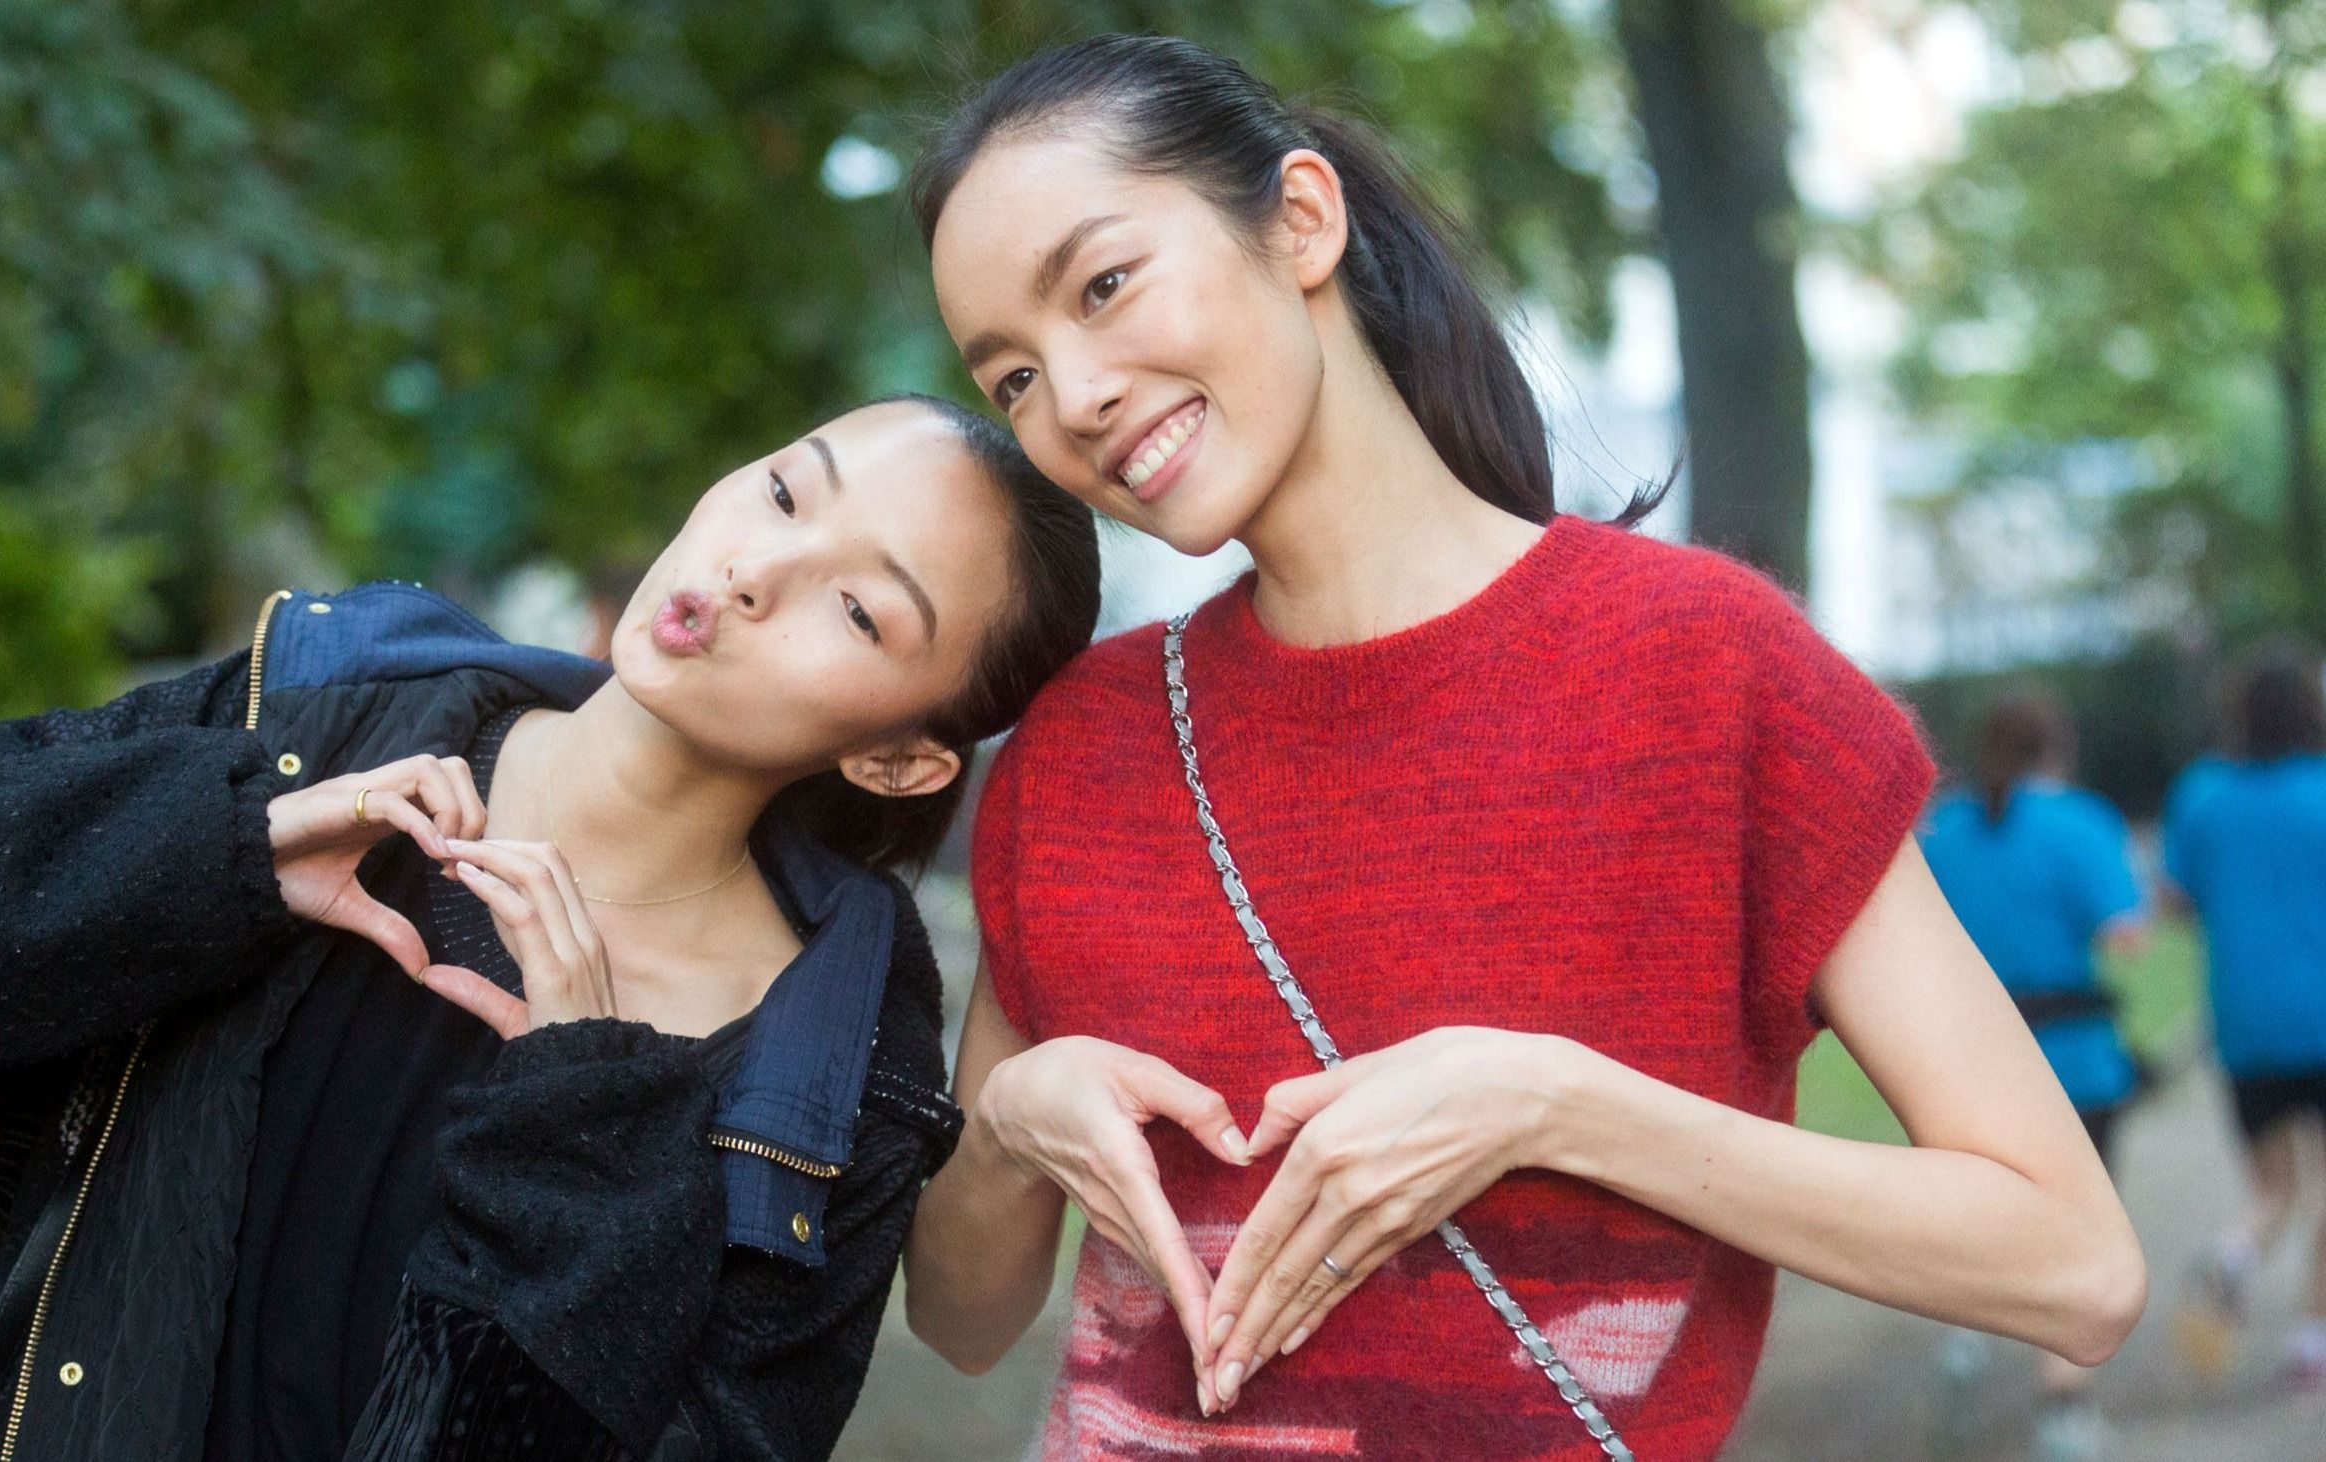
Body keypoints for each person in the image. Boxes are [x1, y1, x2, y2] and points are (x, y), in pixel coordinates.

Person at [895, 35, 2145, 1460]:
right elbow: (965, 1314)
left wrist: (1552, 1104)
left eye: (1104, 285)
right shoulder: (1077, 753)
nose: (1075, 396)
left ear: (1299, 220)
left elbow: (2073, 1262)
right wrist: (1003, 1120)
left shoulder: (1707, 674)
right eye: (1010, 377)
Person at [0, 394, 1100, 1462]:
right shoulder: (322, 711)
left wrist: (576, 1123)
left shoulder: (824, 1074)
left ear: (902, 762)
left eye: (858, 609)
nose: (758, 569)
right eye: (789, 488)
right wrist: (214, 850)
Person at [1918, 692, 2148, 1459]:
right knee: (2071, 1235)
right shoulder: (2080, 821)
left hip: (1966, 1064)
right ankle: (2061, 1408)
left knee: (1980, 1210)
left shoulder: (1939, 828)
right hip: (2075, 1061)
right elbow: (2126, 934)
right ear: (2058, 745)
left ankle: (1964, 1335)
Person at [2164, 639, 2326, 1392]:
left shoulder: (2202, 795)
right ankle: (2311, 1338)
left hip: (2245, 1023)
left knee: (2272, 1189)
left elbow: (2175, 902)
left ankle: (2232, 1253)